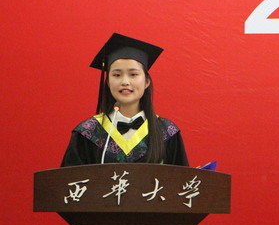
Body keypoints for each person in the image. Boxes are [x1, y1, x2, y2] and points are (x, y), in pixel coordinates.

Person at [61, 33, 188, 167]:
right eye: (117, 75)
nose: (125, 82)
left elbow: (181, 178)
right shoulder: (89, 132)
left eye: (133, 74)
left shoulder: (166, 132)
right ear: (108, 82)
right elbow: (70, 178)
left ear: (146, 82)